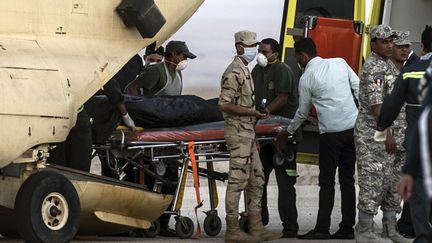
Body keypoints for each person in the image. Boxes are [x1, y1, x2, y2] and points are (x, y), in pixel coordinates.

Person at [276, 37, 359, 240]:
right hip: (352, 129)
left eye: (298, 57)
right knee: (348, 180)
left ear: (302, 56)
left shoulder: (307, 78)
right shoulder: (340, 62)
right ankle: (347, 228)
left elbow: (302, 113)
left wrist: (286, 132)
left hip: (331, 135)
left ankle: (322, 228)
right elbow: (359, 88)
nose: (298, 61)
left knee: (327, 181)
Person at [218, 30, 282, 243]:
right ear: (238, 47)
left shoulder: (246, 70)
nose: (255, 50)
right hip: (237, 133)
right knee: (237, 180)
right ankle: (233, 230)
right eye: (251, 46)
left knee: (257, 177)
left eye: (256, 46)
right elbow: (224, 104)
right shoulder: (234, 72)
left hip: (248, 133)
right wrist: (251, 113)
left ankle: (256, 226)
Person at [354, 24, 411, 243]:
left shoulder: (390, 66)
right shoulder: (374, 67)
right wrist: (387, 134)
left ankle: (390, 228)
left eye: (391, 41)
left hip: (395, 135)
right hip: (375, 135)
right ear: (374, 43)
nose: (389, 45)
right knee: (373, 180)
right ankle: (365, 230)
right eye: (384, 42)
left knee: (392, 181)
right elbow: (377, 107)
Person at [378, 25, 432, 243]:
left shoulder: (411, 71)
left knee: (419, 198)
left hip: (419, 149)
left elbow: (390, 106)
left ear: (422, 48)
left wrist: (382, 127)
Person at [251, 38, 300, 238]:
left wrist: (264, 112)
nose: (261, 55)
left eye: (265, 51)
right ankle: (259, 222)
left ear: (275, 53)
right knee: (258, 179)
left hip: (283, 136)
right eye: (260, 51)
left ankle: (290, 227)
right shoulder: (256, 71)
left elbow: (283, 98)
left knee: (285, 183)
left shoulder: (282, 70)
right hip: (264, 136)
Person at [125, 40, 196, 96]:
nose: (185, 60)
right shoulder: (155, 71)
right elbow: (131, 88)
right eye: (184, 57)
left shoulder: (178, 73)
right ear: (174, 54)